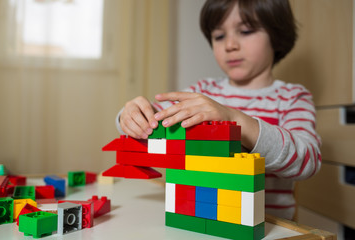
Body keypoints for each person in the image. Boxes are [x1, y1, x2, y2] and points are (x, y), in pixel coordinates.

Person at [115, 0, 321, 220]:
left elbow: (307, 161)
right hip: (202, 218)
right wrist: (130, 116)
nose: (229, 45)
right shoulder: (203, 91)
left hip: (269, 226)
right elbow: (154, 119)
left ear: (276, 34)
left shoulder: (292, 97)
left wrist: (236, 120)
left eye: (246, 31)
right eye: (219, 36)